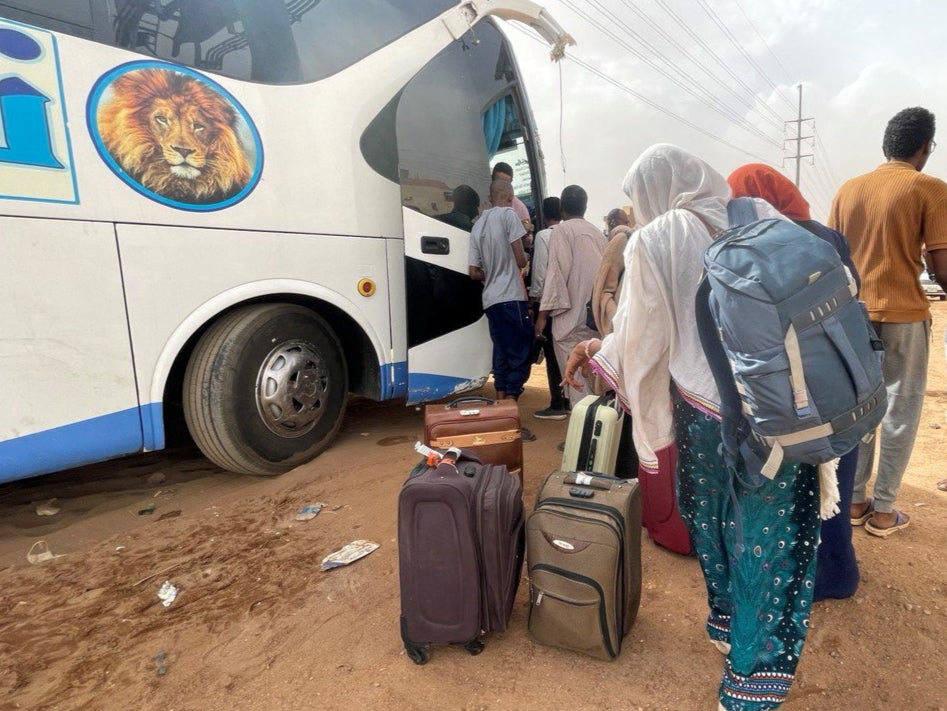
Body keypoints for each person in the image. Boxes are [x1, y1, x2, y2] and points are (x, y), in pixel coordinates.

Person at [565, 144, 820, 711]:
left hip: (708, 413)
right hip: (788, 407)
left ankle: (738, 650)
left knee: (713, 522)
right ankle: (758, 664)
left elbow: (640, 336)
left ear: (654, 192)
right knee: (770, 537)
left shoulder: (658, 237)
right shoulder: (758, 214)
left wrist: (595, 352)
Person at [728, 162, 859, 601]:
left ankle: (801, 578)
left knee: (796, 487)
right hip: (845, 378)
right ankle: (839, 572)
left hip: (792, 390)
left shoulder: (750, 246)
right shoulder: (828, 237)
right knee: (836, 473)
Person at [829, 107, 947, 537]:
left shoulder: (848, 190)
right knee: (900, 409)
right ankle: (883, 511)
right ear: (925, 147)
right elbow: (941, 264)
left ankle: (855, 500)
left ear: (885, 146)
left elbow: (832, 258)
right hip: (903, 315)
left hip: (852, 316)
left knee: (860, 410)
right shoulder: (929, 189)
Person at [468, 179, 535, 439]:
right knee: (520, 352)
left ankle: (498, 414)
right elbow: (519, 258)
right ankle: (510, 416)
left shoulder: (478, 226)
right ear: (509, 196)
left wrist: (492, 273)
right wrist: (526, 260)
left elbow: (474, 272)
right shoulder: (509, 216)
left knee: (501, 355)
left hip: (491, 300)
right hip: (511, 297)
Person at [535, 185, 607, 406]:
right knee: (596, 381)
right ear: (585, 207)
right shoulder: (598, 234)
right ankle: (598, 435)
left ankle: (583, 438)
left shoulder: (562, 232)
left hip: (570, 321)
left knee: (576, 382)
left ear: (562, 208)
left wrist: (542, 316)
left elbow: (556, 276)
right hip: (596, 319)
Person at [529, 196, 570, 420]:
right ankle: (570, 398)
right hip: (571, 303)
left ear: (543, 215)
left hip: (550, 304)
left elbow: (541, 273)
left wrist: (535, 301)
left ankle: (558, 403)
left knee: (553, 356)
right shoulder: (569, 234)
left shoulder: (544, 236)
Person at [592, 208, 636, 335]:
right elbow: (604, 291)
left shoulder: (622, 236)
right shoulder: (623, 237)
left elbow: (603, 290)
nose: (626, 224)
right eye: (625, 221)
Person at [492, 162, 532, 240]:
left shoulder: (520, 207)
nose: (502, 187)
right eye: (499, 182)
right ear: (492, 179)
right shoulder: (483, 203)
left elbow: (528, 237)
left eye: (506, 184)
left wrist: (526, 234)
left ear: (511, 182)